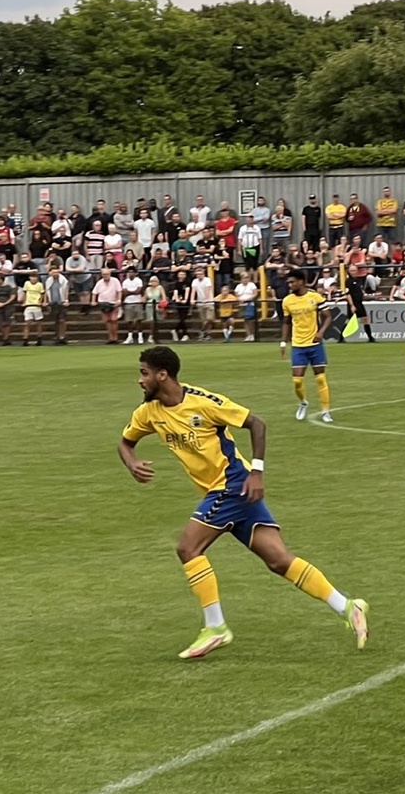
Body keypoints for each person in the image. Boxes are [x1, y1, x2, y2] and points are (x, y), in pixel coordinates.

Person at [117, 346, 369, 659]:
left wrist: (257, 473)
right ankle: (347, 606)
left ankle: (216, 627)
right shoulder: (149, 412)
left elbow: (257, 424)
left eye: (143, 373)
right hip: (230, 492)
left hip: (232, 484)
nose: (139, 380)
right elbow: (126, 442)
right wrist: (131, 463)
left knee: (188, 548)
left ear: (162, 374)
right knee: (278, 560)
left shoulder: (205, 403)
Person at [282, 271, 336, 424]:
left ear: (301, 282)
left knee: (320, 378)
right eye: (289, 283)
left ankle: (326, 411)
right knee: (297, 381)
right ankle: (304, 402)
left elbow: (328, 316)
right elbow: (286, 322)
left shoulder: (315, 297)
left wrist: (321, 332)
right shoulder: (287, 301)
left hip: (315, 344)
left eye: (292, 282)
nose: (290, 285)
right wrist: (283, 342)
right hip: (298, 345)